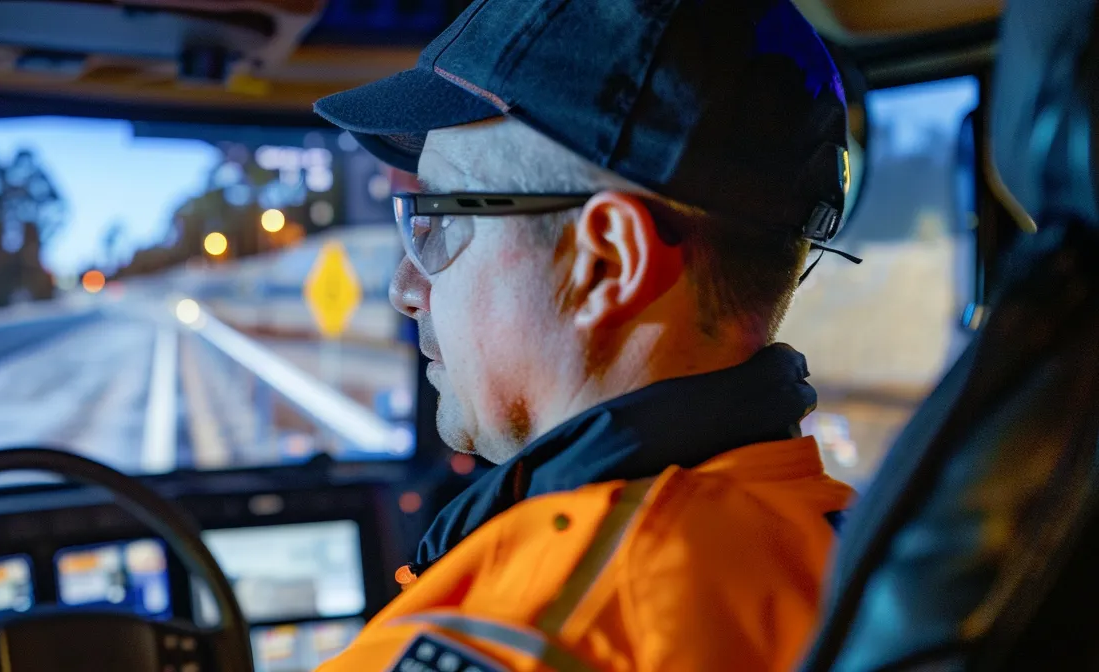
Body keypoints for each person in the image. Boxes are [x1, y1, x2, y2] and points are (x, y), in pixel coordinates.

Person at [311, 0, 858, 670]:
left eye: (436, 221)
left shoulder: (523, 631)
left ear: (604, 263)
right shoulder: (853, 548)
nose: (405, 288)